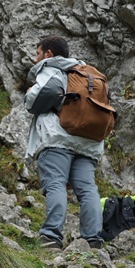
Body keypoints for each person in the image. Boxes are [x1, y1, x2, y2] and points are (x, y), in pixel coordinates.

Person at [24, 35, 104, 250]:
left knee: (56, 183)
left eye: (37, 53)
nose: (35, 59)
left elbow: (47, 92)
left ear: (48, 54)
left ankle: (51, 236)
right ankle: (93, 239)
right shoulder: (88, 73)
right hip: (88, 142)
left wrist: (29, 97)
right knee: (87, 189)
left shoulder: (52, 68)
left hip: (58, 138)